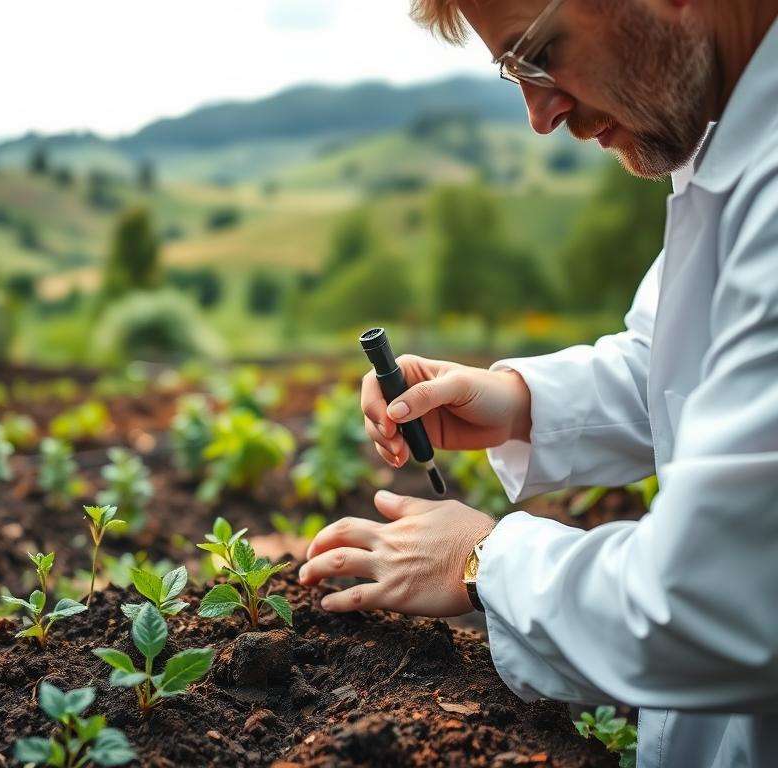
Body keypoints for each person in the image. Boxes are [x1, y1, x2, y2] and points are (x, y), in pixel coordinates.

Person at [298, 1, 778, 766]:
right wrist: (517, 402)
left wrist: (483, 561)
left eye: (542, 52)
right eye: (516, 71)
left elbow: (717, 603)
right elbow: (684, 361)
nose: (541, 116)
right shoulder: (733, 142)